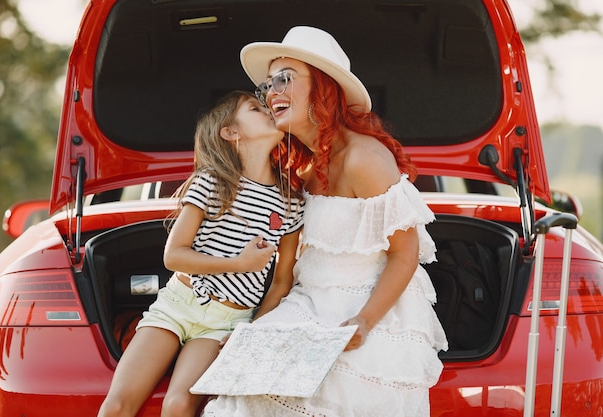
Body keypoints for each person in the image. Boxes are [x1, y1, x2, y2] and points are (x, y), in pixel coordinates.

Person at [202, 27, 448, 417]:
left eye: (284, 78)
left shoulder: (363, 158)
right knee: (243, 390)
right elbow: (287, 276)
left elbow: (405, 254)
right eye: (267, 85)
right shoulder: (302, 169)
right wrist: (250, 332)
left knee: (335, 394)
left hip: (372, 306)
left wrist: (363, 323)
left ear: (323, 87)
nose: (271, 93)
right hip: (309, 303)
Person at [97, 91, 310, 417]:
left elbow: (281, 283)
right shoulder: (212, 183)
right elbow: (174, 255)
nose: (268, 110)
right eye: (255, 108)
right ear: (231, 132)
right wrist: (238, 264)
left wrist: (251, 333)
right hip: (178, 304)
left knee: (179, 405)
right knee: (118, 405)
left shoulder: (291, 203)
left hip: (226, 322)